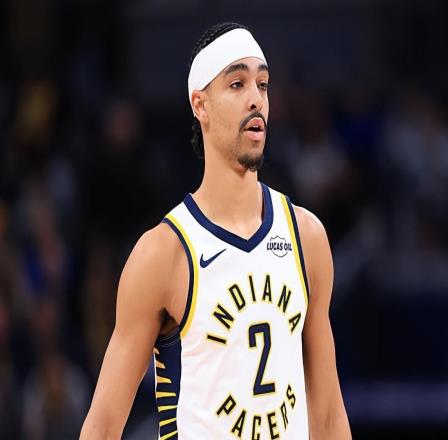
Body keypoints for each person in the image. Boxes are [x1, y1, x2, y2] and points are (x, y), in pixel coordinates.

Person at [80, 22, 351, 439]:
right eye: (237, 84)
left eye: (263, 85)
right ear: (200, 105)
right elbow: (101, 427)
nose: (255, 98)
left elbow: (330, 416)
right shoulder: (164, 253)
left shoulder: (307, 237)